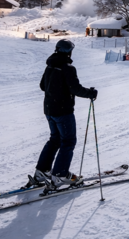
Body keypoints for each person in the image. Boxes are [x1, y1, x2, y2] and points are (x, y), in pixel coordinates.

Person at [33, 39, 97, 190]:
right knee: (68, 141)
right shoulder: (67, 68)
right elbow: (75, 88)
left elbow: (43, 86)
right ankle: (60, 175)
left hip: (49, 109)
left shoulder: (50, 65)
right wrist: (91, 93)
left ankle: (42, 171)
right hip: (63, 111)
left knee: (55, 139)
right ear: (69, 52)